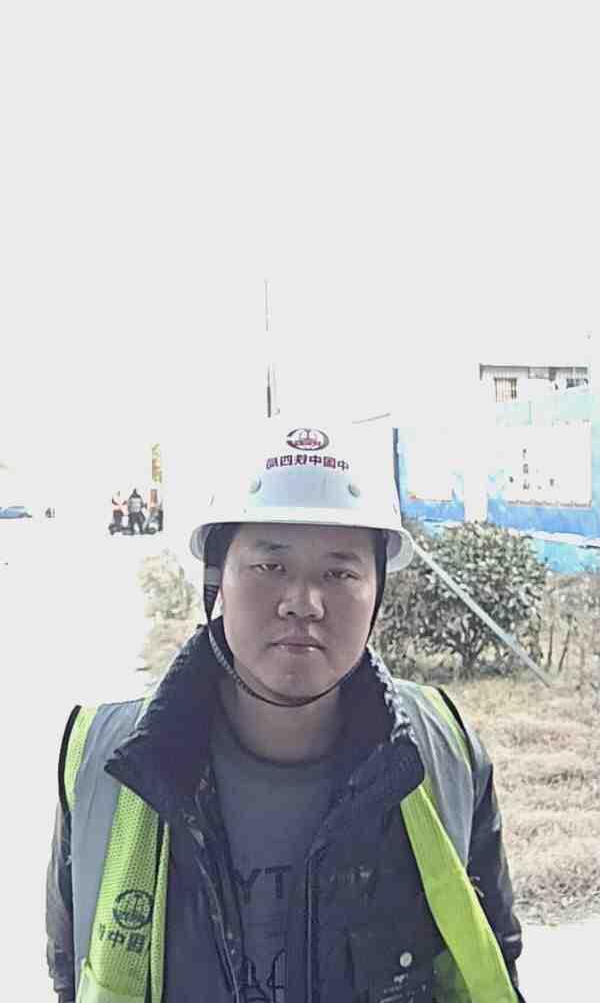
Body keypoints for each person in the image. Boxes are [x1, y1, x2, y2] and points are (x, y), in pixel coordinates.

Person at [46, 419, 525, 1003]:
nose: (303, 603)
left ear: (377, 591)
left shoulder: (442, 747)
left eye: (339, 572)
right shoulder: (102, 756)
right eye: (270, 566)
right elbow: (70, 967)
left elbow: (495, 960)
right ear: (217, 579)